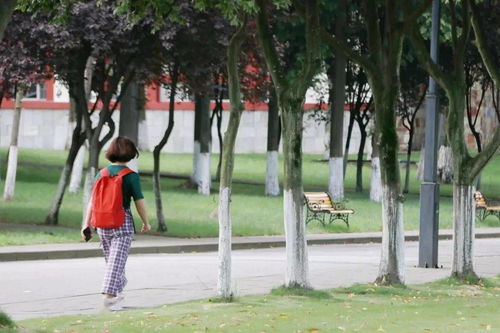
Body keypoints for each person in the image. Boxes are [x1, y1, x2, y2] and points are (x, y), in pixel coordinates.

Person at [81, 136, 151, 311]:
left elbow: (92, 201)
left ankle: (118, 295)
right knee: (115, 262)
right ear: (131, 154)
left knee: (114, 261)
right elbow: (139, 202)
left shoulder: (101, 173)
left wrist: (86, 224)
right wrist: (146, 222)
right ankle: (109, 298)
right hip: (122, 223)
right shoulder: (130, 176)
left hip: (101, 223)